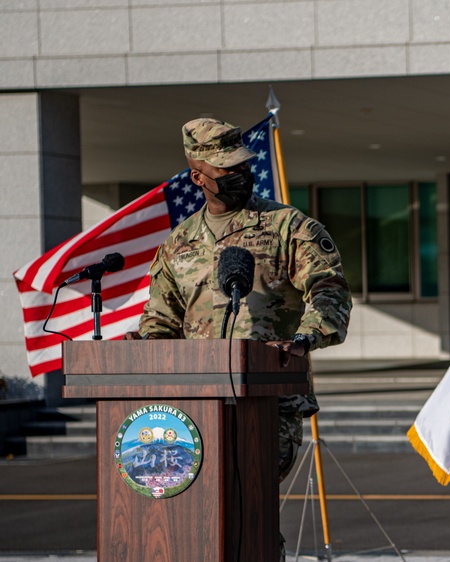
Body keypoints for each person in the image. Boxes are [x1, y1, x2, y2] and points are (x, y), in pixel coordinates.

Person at [126, 118, 352, 558]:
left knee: (249, 505)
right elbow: (161, 320)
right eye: (226, 170)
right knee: (201, 513)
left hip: (268, 402)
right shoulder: (179, 243)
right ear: (199, 177)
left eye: (242, 166)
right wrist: (143, 352)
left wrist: (305, 339)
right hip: (191, 406)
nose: (240, 175)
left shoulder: (288, 227)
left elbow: (329, 290)